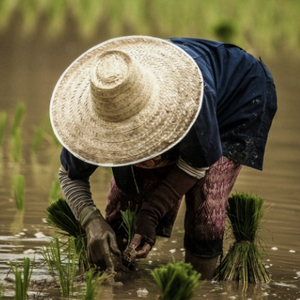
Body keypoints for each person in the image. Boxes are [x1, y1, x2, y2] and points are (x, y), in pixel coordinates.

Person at [50, 36, 277, 279]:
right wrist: (90, 220)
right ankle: (119, 273)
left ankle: (197, 286)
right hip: (172, 95)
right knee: (126, 199)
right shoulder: (92, 114)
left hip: (238, 96)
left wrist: (152, 212)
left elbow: (198, 162)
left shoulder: (189, 101)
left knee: (206, 201)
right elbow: (69, 174)